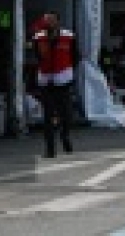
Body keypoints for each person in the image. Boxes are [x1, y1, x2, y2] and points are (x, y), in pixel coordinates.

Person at [31, 10, 79, 158]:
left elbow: (75, 56)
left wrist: (68, 70)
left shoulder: (69, 36)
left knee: (66, 114)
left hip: (63, 79)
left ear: (57, 21)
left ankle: (65, 136)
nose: (48, 23)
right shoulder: (38, 38)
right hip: (46, 80)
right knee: (48, 115)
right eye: (46, 20)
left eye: (51, 20)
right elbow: (37, 56)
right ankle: (50, 148)